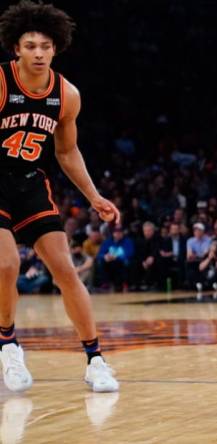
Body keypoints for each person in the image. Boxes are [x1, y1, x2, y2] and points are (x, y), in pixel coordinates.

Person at [0, 0, 118, 393]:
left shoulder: (67, 95)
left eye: (45, 46)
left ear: (56, 48)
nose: (38, 52)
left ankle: (95, 359)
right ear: (16, 48)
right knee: (6, 265)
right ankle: (8, 345)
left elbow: (66, 152)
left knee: (66, 270)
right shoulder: (0, 83)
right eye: (30, 45)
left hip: (30, 182)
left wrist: (93, 196)